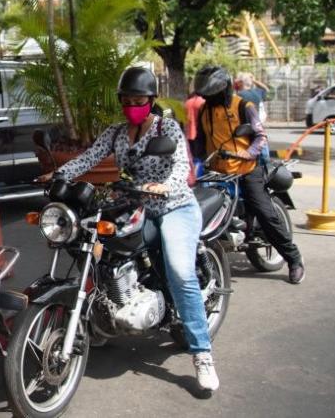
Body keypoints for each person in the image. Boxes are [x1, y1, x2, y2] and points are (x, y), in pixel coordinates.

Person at [41, 67, 220, 393]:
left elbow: (181, 165)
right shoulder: (116, 132)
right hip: (134, 205)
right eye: (127, 100)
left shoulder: (168, 129)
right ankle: (105, 316)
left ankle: (202, 354)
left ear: (150, 101)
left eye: (138, 100)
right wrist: (60, 175)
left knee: (181, 272)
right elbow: (90, 157)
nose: (132, 106)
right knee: (96, 245)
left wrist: (164, 185)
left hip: (174, 206)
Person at [192, 66, 305, 285]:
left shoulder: (244, 106)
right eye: (205, 94)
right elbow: (199, 142)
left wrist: (247, 152)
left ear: (223, 89)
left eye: (212, 93)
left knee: (265, 212)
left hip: (246, 169)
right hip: (217, 171)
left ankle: (294, 259)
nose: (208, 97)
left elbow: (260, 136)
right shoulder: (204, 110)